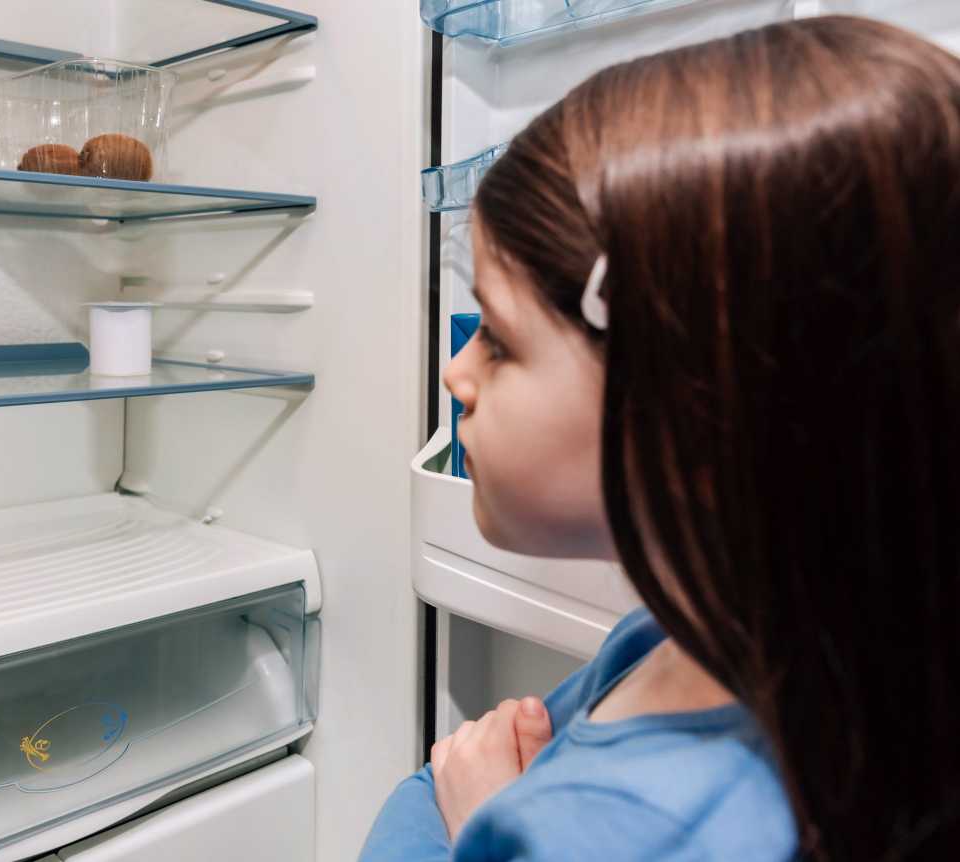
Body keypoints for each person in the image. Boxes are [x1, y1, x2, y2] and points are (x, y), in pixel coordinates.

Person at [361, 15, 960, 861]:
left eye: (498, 338)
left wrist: (483, 823)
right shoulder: (689, 637)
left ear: (695, 402)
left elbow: (440, 788)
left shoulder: (621, 832)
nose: (457, 373)